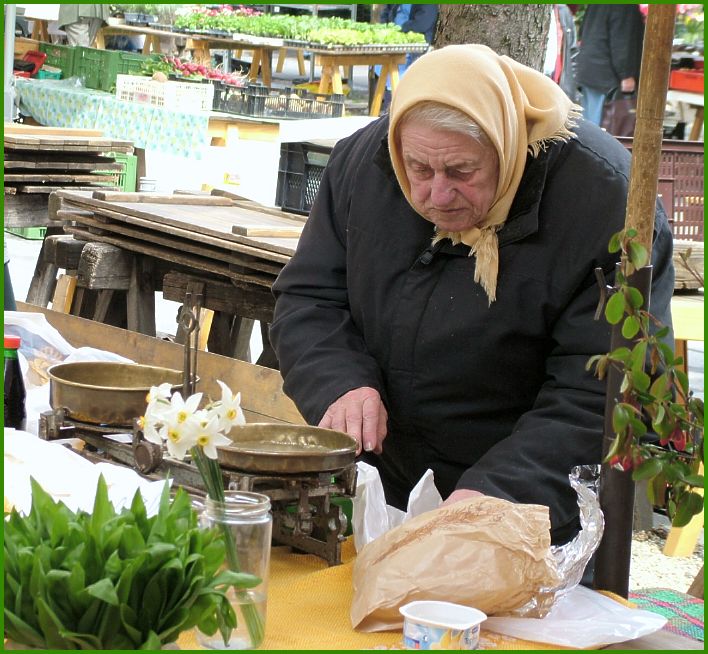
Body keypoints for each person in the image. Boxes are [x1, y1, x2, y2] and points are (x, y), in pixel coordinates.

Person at [270, 44, 674, 548]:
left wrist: (495, 493)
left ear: (506, 147)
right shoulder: (366, 162)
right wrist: (340, 383)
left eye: (462, 172)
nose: (437, 195)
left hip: (525, 513)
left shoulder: (606, 200)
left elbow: (600, 394)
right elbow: (310, 298)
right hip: (384, 489)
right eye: (418, 170)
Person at [575, 4, 644, 126]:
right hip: (607, 77)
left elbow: (583, 31)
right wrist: (626, 75)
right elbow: (623, 41)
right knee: (602, 128)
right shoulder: (625, 6)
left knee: (591, 125)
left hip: (590, 71)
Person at [373, 4, 438, 111]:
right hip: (394, 43)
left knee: (398, 69)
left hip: (416, 46)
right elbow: (385, 13)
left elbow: (422, 23)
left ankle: (394, 106)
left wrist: (399, 30)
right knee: (381, 64)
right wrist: (387, 30)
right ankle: (386, 105)